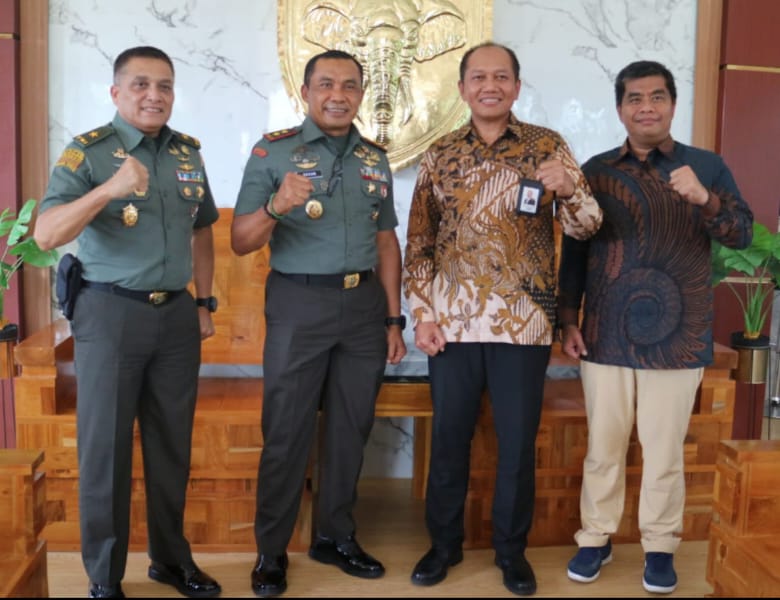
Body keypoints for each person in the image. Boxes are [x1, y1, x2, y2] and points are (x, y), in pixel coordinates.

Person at [402, 42, 603, 596]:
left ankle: (511, 553)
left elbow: (588, 227)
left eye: (502, 77)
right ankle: (442, 546)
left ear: (516, 86)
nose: (490, 86)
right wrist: (422, 315)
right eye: (478, 77)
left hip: (525, 325)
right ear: (463, 88)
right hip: (453, 327)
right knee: (449, 441)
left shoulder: (547, 146)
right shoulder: (440, 153)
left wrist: (570, 191)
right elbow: (419, 242)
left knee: (517, 445)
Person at [557, 60, 753, 594]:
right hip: (606, 329)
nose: (647, 106)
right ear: (620, 107)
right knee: (604, 446)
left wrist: (705, 199)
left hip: (679, 332)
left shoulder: (706, 166)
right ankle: (594, 537)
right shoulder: (595, 171)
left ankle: (660, 546)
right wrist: (567, 319)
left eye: (658, 96)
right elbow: (575, 249)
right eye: (635, 98)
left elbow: (742, 233)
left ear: (672, 103)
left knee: (664, 451)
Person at [34, 46, 222, 599]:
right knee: (106, 450)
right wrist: (108, 190)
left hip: (176, 318)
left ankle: (169, 559)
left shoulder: (187, 153)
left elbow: (203, 228)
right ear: (116, 93)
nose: (154, 95)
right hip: (110, 314)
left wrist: (205, 303)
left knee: (171, 446)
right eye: (140, 84)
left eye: (164, 85)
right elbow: (45, 235)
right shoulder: (88, 152)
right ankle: (104, 576)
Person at [231, 49, 407, 597]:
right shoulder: (272, 153)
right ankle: (271, 551)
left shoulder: (375, 158)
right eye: (326, 84)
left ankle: (334, 536)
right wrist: (278, 205)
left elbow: (385, 241)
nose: (338, 94)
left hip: (363, 309)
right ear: (304, 93)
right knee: (286, 431)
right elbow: (241, 241)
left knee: (351, 429)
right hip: (298, 305)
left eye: (349, 86)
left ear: (360, 95)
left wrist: (394, 318)